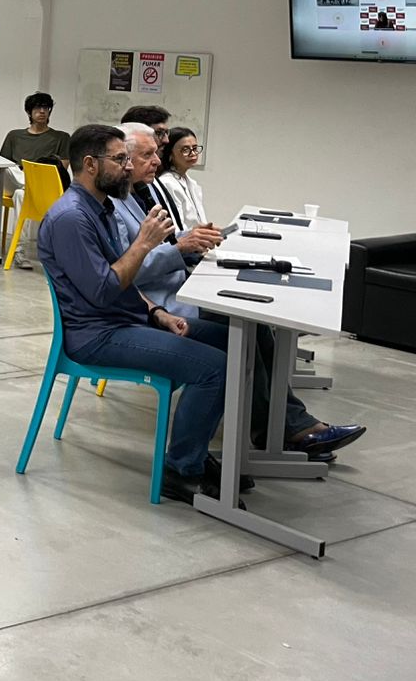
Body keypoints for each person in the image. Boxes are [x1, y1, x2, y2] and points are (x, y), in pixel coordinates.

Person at [113, 125, 366, 463]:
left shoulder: (138, 194)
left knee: (255, 325)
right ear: (124, 160)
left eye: (156, 153)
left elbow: (159, 245)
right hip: (160, 302)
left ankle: (281, 426)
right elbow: (128, 270)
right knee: (241, 328)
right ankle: (280, 428)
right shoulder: (113, 205)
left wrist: (191, 238)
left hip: (177, 286)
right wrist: (179, 250)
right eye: (147, 155)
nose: (157, 161)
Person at [37, 123, 232, 504]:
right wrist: (143, 244)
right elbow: (103, 289)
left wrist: (156, 311)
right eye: (120, 159)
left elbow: (124, 280)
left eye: (129, 158)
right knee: (215, 368)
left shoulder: (103, 207)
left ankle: (195, 450)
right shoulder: (71, 218)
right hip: (97, 336)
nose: (129, 167)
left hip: (128, 320)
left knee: (233, 341)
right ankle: (181, 470)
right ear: (90, 164)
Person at [0, 91, 72, 267]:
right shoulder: (14, 136)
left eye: (46, 108)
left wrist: (35, 174)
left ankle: (18, 251)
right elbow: (2, 164)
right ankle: (29, 181)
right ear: (29, 112)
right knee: (8, 168)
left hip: (42, 186)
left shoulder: (61, 137)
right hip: (14, 179)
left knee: (20, 195)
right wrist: (28, 174)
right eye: (38, 108)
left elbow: (62, 168)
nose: (42, 111)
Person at [157, 127, 209, 227]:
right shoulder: (167, 183)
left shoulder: (190, 182)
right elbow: (178, 227)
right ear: (170, 154)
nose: (193, 154)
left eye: (195, 148)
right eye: (185, 149)